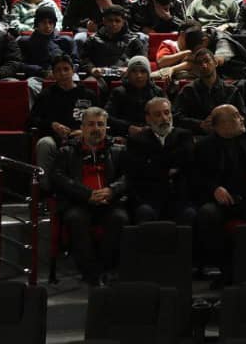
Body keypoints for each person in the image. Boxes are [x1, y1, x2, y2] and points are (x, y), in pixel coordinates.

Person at [193, 104, 246, 281]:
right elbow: (197, 176)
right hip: (221, 202)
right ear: (222, 125)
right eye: (236, 116)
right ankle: (226, 270)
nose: (242, 118)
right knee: (207, 214)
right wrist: (214, 188)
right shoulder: (204, 146)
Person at [51, 107, 129, 286]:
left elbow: (128, 177)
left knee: (119, 218)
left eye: (100, 124)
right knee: (76, 219)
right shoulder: (66, 151)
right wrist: (87, 194)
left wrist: (112, 190)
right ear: (82, 128)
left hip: (110, 202)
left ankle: (104, 269)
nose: (96, 129)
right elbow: (58, 178)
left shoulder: (118, 150)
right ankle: (91, 273)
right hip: (79, 202)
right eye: (91, 124)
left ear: (106, 127)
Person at [124, 97, 196, 225]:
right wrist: (172, 165)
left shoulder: (185, 136)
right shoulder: (136, 140)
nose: (164, 118)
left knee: (190, 214)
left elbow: (188, 165)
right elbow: (138, 172)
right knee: (144, 212)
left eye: (167, 113)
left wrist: (153, 161)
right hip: (150, 197)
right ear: (148, 119)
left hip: (179, 196)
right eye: (158, 114)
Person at [28, 55, 93, 184]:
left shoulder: (87, 94)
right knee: (44, 144)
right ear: (53, 73)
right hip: (55, 138)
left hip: (83, 137)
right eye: (58, 70)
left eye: (66, 69)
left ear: (73, 71)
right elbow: (31, 120)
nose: (62, 73)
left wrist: (85, 132)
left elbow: (100, 117)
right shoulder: (46, 95)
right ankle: (45, 189)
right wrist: (52, 125)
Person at [173, 48, 245, 134]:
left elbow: (243, 116)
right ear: (196, 68)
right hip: (198, 136)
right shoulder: (188, 90)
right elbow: (176, 118)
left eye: (207, 61)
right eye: (199, 63)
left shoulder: (231, 90)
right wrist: (199, 124)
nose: (204, 65)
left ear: (215, 63)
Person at [79, 4, 145, 80]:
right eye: (110, 20)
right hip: (98, 77)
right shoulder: (92, 39)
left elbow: (141, 61)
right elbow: (84, 59)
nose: (114, 24)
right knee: (90, 81)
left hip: (126, 77)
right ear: (104, 21)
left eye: (117, 21)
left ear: (123, 22)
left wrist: (130, 69)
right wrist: (92, 69)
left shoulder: (134, 40)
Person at [107, 56, 166, 137]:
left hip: (154, 135)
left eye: (143, 71)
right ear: (128, 74)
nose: (139, 75)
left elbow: (168, 115)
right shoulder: (118, 92)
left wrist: (151, 128)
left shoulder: (157, 92)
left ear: (148, 74)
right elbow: (107, 116)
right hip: (125, 135)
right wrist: (128, 127)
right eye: (134, 71)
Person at [17, 6, 76, 81]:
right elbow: (21, 65)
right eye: (43, 22)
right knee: (31, 83)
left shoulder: (66, 41)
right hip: (37, 77)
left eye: (50, 22)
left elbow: (75, 63)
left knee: (75, 81)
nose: (47, 26)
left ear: (54, 23)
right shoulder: (25, 42)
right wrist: (43, 72)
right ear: (37, 23)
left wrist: (64, 71)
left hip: (65, 76)